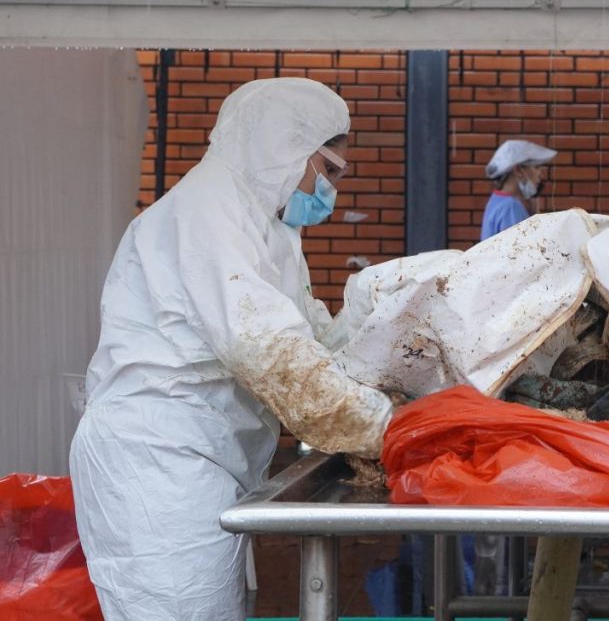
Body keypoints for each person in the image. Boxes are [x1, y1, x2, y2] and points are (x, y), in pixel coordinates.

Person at [69, 78, 395, 621]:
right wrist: (389, 427)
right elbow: (270, 351)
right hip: (159, 460)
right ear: (284, 149)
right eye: (328, 170)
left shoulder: (269, 228)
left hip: (206, 461)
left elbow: (315, 338)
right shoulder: (207, 211)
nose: (331, 190)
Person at [481, 139, 556, 240]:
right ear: (518, 170)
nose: (540, 174)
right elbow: (517, 252)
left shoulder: (498, 200)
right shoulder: (511, 207)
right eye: (536, 167)